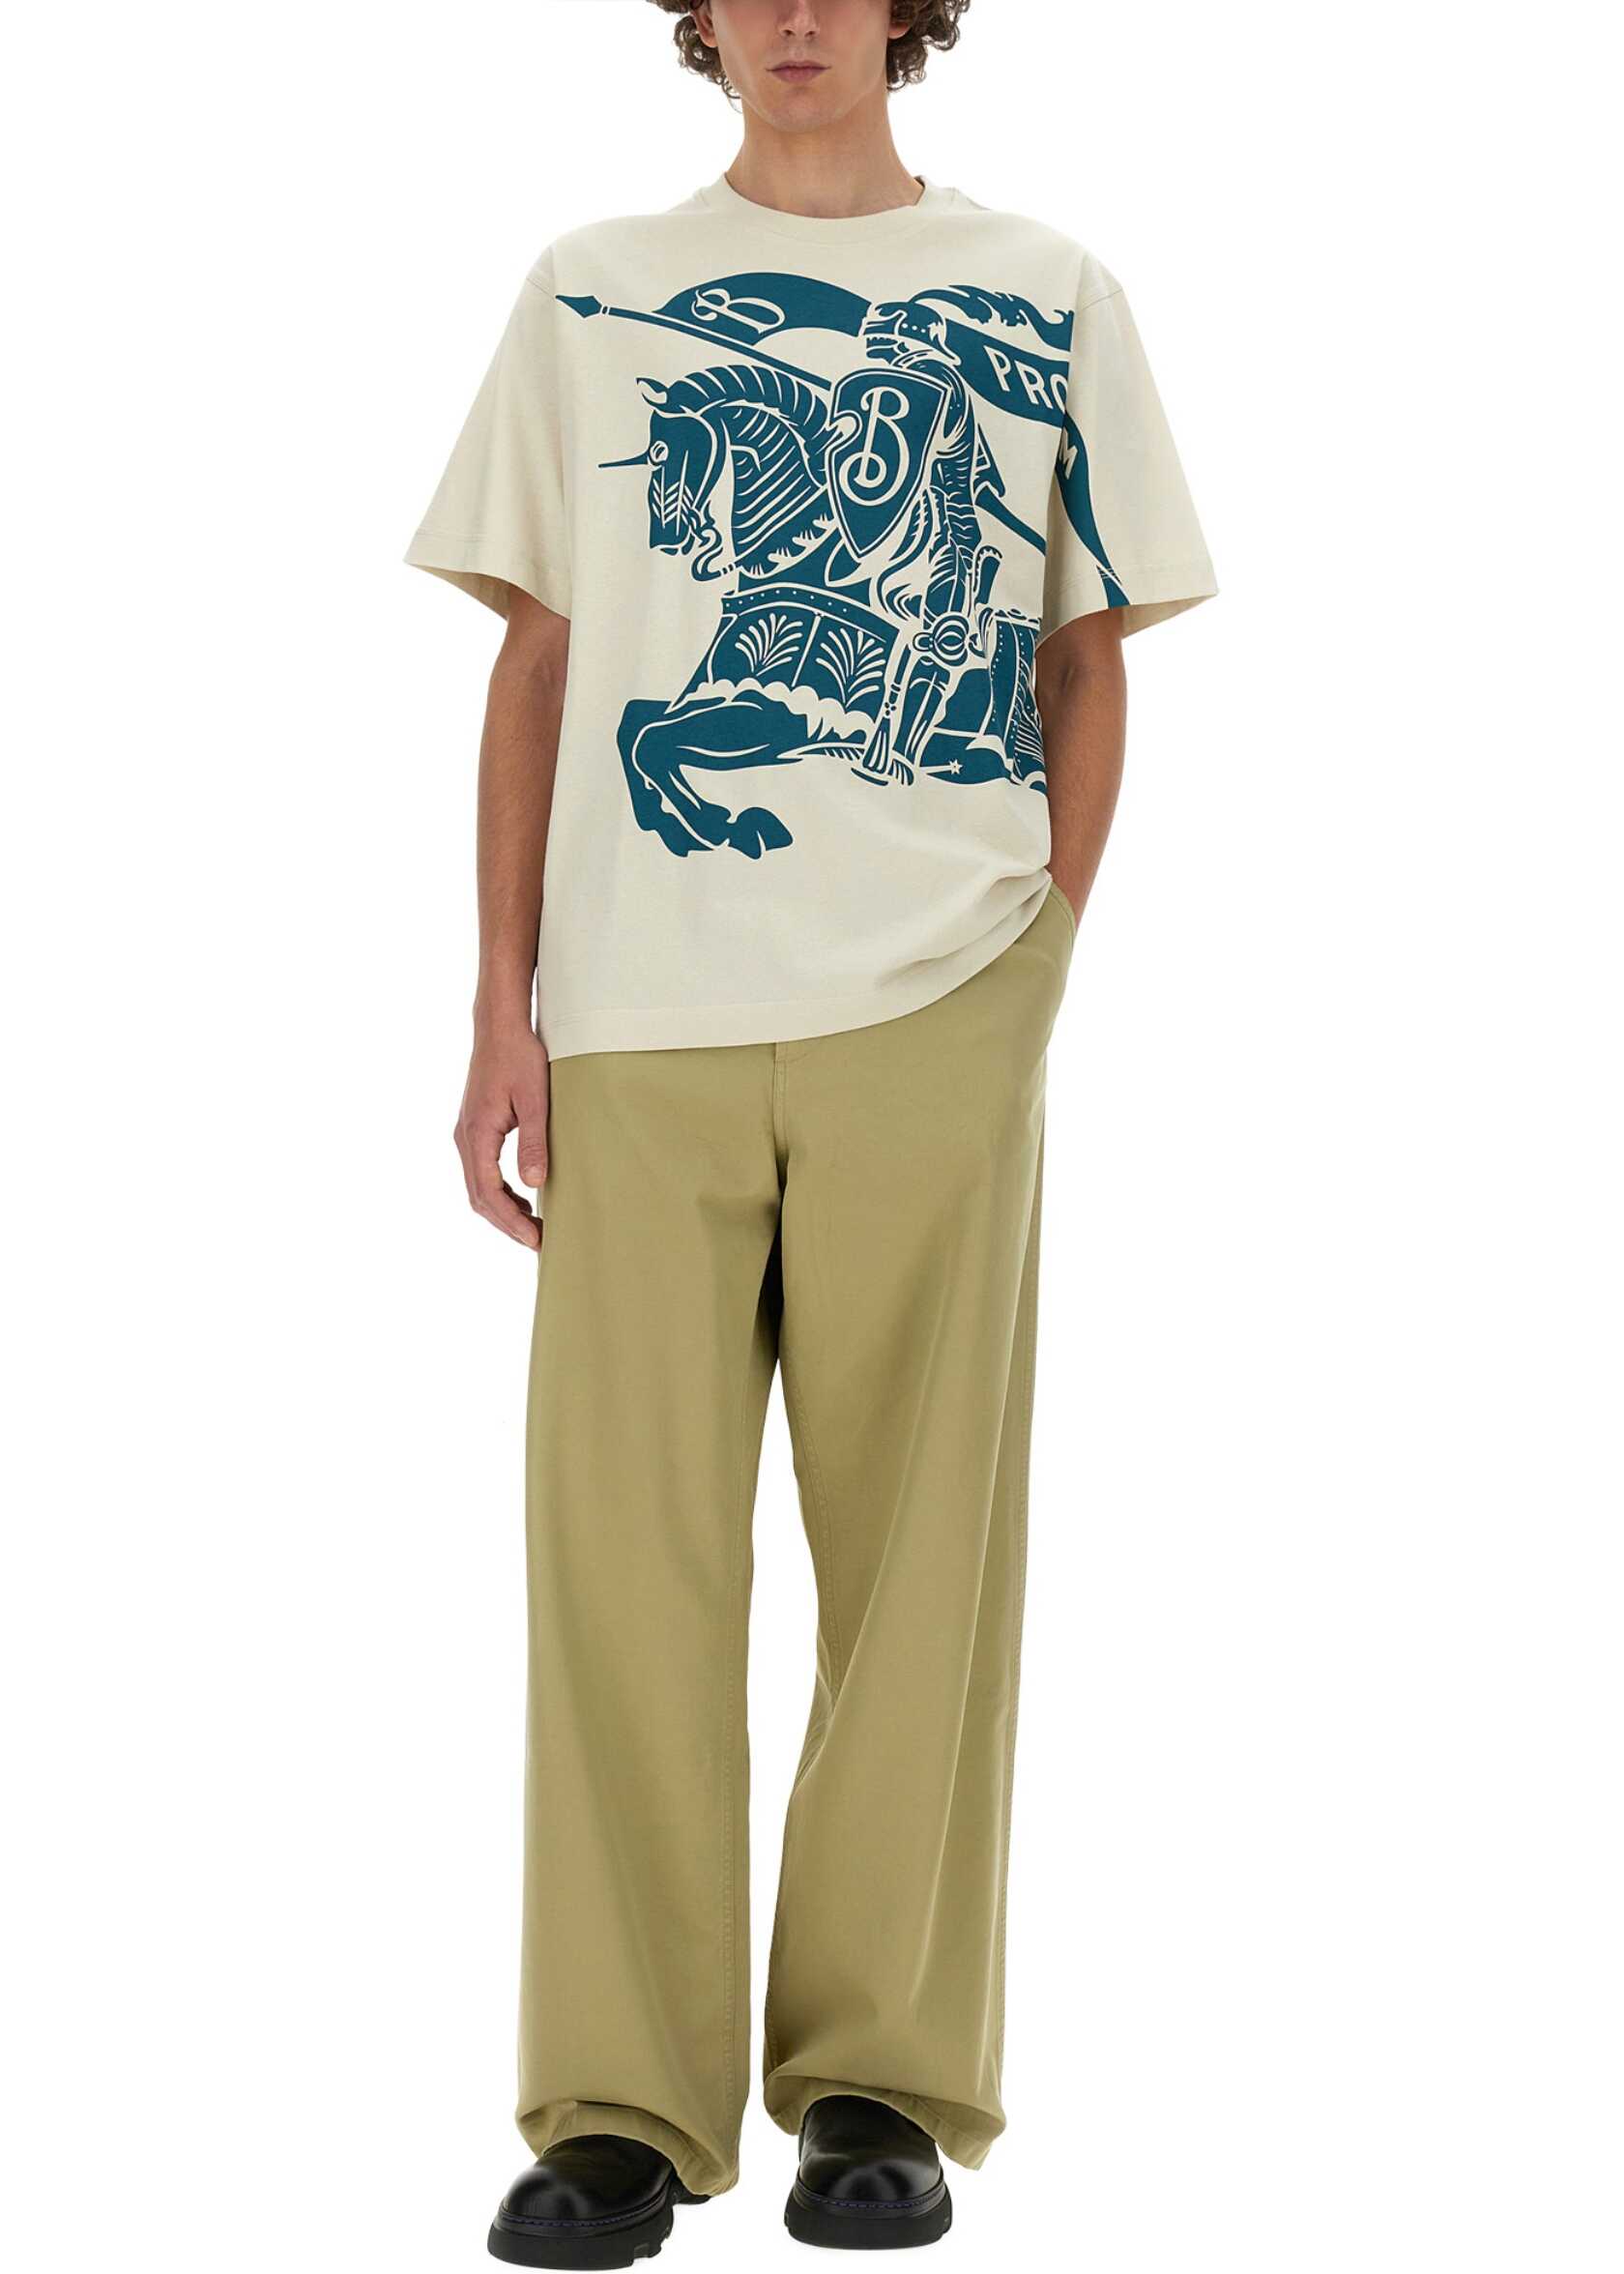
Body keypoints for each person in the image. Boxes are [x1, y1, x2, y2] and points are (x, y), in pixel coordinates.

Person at [406, 2, 1214, 2260]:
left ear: (907, 12)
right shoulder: (587, 285)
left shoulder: (1049, 287)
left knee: (924, 1561)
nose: (791, 17)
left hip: (939, 1000)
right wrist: (501, 1001)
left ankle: (881, 2084)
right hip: (637, 1019)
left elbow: (1084, 651)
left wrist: (1039, 949)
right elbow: (540, 660)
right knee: (621, 1571)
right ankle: (617, 2109)